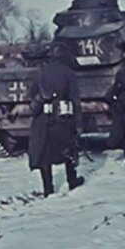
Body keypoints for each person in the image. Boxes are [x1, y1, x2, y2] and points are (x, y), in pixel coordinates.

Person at [27, 42, 84, 196]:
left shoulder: (41, 72)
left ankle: (48, 188)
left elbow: (31, 94)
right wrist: (79, 124)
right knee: (68, 149)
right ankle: (72, 181)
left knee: (45, 153)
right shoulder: (69, 73)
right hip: (63, 118)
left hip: (43, 119)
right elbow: (75, 100)